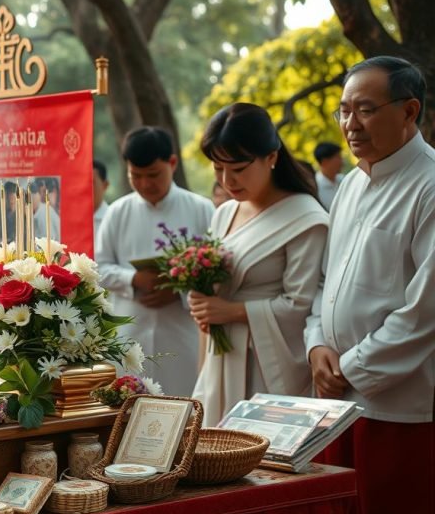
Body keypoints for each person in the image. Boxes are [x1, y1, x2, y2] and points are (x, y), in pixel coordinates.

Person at [305, 56, 434, 514]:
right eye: (342, 111)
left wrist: (351, 368)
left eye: (365, 109)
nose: (350, 124)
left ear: (409, 111)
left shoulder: (429, 185)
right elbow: (325, 281)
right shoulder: (351, 184)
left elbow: (425, 313)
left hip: (399, 407)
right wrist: (317, 346)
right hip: (336, 399)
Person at [189, 103, 328, 426]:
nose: (227, 180)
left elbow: (301, 304)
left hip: (266, 367)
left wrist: (232, 311)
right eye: (218, 169)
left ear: (272, 157)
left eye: (238, 169)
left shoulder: (306, 218)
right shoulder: (225, 212)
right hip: (222, 357)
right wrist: (201, 298)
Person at [95, 127, 214, 397]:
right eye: (136, 176)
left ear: (172, 163)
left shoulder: (201, 209)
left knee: (183, 403)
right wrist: (134, 279)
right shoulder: (117, 212)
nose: (145, 183)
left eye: (153, 175)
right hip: (129, 332)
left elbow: (216, 273)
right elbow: (99, 268)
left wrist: (178, 291)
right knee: (129, 407)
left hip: (183, 333)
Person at [312, 141, 345, 210]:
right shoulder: (315, 188)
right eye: (338, 157)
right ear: (325, 162)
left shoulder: (343, 180)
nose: (342, 162)